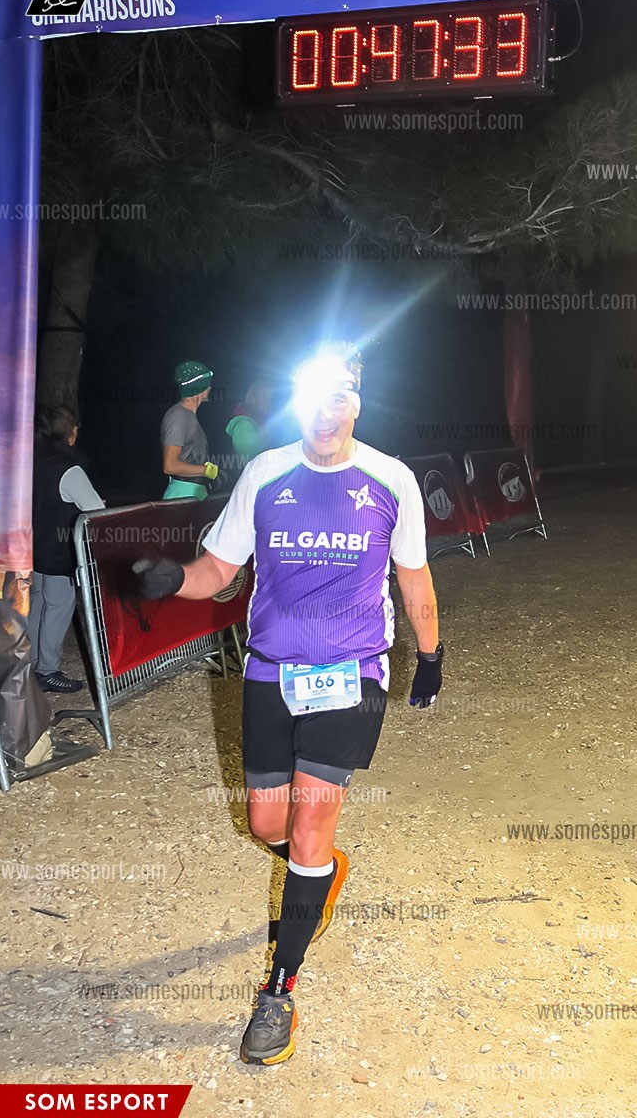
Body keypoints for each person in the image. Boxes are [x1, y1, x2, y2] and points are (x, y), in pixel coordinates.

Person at [134, 342, 443, 1066]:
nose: (325, 413)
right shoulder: (265, 474)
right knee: (267, 823)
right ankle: (320, 873)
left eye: (339, 397)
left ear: (356, 402)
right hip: (270, 672)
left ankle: (279, 991)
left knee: (308, 827)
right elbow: (219, 568)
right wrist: (171, 579)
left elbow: (414, 578)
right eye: (313, 398)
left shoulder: (390, 480)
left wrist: (430, 657)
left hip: (352, 676)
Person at [29, 406, 104, 693]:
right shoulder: (69, 469)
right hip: (60, 552)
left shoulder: (33, 461)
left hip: (34, 549)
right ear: (68, 431)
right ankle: (47, 671)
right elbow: (94, 509)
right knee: (58, 608)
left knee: (38, 605)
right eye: (75, 427)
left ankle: (30, 665)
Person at [160, 360, 219, 500]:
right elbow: (170, 465)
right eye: (207, 384)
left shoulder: (188, 415)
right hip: (182, 494)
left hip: (193, 493)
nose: (210, 388)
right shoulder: (178, 415)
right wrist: (206, 471)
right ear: (199, 388)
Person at [225, 377, 271, 469]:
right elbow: (252, 465)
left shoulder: (263, 422)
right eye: (264, 396)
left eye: (271, 397)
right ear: (254, 399)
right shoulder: (244, 426)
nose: (269, 401)